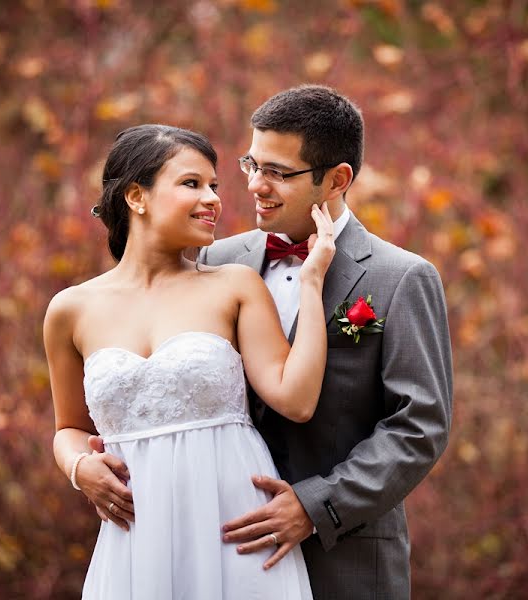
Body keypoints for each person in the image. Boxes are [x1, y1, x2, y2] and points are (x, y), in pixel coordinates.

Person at [89, 85, 453, 598]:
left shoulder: (399, 278)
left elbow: (419, 426)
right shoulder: (216, 260)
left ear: (337, 179)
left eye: (278, 173)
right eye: (251, 165)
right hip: (216, 550)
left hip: (342, 556)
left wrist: (315, 506)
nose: (256, 185)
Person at [44, 123, 336, 598]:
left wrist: (311, 281)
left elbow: (297, 399)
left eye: (214, 186)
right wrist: (79, 468)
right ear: (136, 197)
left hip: (235, 529)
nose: (214, 199)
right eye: (191, 184)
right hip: (135, 537)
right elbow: (68, 429)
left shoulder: (235, 286)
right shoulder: (70, 309)